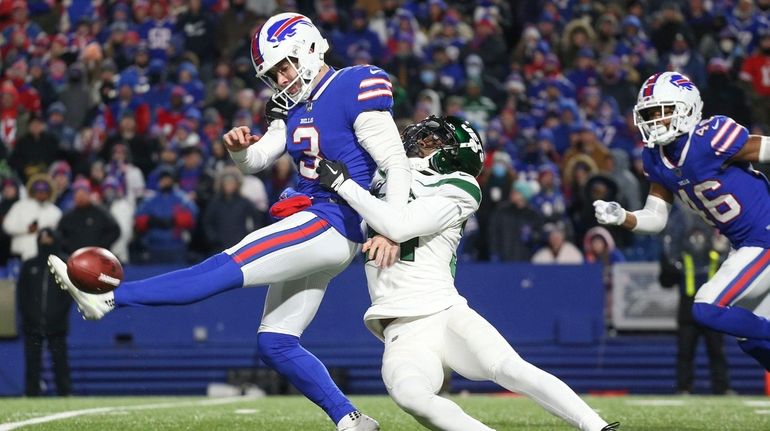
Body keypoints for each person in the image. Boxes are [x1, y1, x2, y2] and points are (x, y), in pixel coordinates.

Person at [48, 13, 410, 431]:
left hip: (329, 220)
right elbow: (258, 160)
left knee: (223, 267)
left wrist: (389, 227)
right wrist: (240, 149)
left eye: (285, 65)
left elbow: (394, 163)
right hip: (320, 228)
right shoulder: (291, 106)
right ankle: (351, 419)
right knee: (275, 343)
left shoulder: (352, 85)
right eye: (273, 72)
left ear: (309, 47)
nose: (282, 77)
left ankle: (110, 298)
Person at [317, 115, 619, 431]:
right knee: (411, 397)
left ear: (451, 154)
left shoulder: (459, 186)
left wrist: (344, 184)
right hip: (399, 327)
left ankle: (595, 426)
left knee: (508, 368)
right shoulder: (386, 174)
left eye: (433, 139)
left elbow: (398, 224)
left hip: (444, 313)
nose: (421, 140)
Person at [594, 71, 770, 371]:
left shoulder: (710, 137)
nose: (654, 121)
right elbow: (656, 217)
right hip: (744, 245)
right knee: (749, 336)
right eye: (648, 114)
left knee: (706, 307)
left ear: (687, 108)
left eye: (662, 113)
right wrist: (623, 216)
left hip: (764, 238)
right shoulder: (655, 158)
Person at [659, 224, 732, 395]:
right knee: (686, 351)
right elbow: (665, 280)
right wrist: (667, 261)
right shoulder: (682, 257)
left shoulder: (716, 255)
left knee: (716, 351)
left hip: (711, 309)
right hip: (690, 309)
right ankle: (684, 387)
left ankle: (722, 387)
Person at [18, 228, 73, 396]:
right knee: (32, 361)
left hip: (57, 323)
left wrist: (58, 315)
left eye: (49, 238)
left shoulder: (64, 264)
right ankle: (31, 392)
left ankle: (65, 392)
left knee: (60, 361)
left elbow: (69, 295)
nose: (45, 241)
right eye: (42, 238)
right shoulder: (30, 265)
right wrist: (29, 315)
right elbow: (22, 294)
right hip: (32, 323)